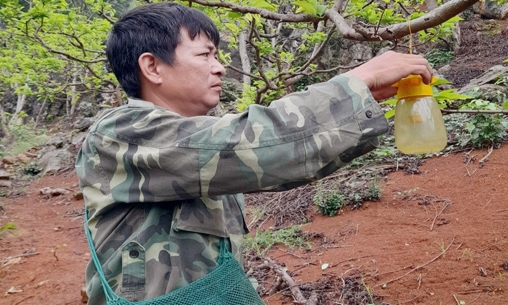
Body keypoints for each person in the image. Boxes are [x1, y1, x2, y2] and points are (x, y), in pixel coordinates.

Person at [75, 2, 433, 304]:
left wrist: (360, 99)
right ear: (152, 67)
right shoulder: (122, 134)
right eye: (205, 55)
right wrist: (357, 82)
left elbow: (276, 152)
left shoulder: (191, 136)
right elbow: (257, 143)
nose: (219, 67)